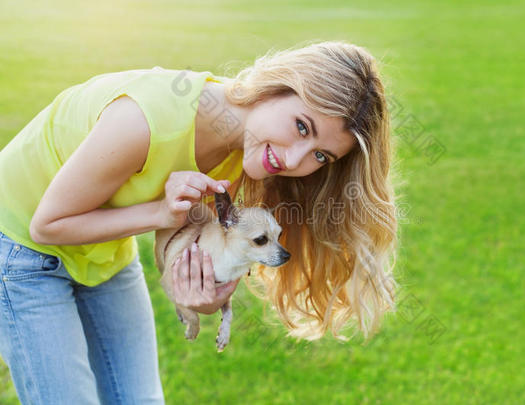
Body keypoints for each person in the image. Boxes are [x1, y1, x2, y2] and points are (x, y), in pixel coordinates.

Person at [0, 40, 398, 404]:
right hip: (21, 250)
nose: (295, 161)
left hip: (102, 249)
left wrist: (206, 290)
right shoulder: (143, 121)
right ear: (277, 87)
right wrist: (161, 212)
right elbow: (47, 224)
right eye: (301, 127)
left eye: (321, 156)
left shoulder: (249, 148)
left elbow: (208, 237)